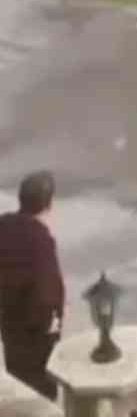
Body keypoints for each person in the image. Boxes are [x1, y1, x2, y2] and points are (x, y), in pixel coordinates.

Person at [0, 171, 64, 399]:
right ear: (48, 203)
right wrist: (51, 323)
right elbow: (46, 291)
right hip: (36, 336)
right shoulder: (41, 240)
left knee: (18, 387)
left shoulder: (3, 225)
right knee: (41, 397)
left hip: (10, 327)